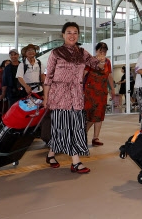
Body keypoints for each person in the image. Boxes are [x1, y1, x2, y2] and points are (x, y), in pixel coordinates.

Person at [43, 22, 106, 174]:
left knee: (76, 128)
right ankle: (76, 162)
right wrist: (46, 98)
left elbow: (97, 66)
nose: (72, 35)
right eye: (69, 32)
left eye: (75, 32)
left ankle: (51, 154)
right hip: (59, 96)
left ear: (78, 35)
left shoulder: (83, 52)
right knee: (63, 127)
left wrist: (100, 60)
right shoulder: (56, 53)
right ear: (63, 35)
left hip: (77, 95)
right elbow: (48, 77)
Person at [84, 42, 117, 146]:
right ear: (96, 51)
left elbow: (109, 76)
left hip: (102, 92)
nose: (102, 53)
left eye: (104, 51)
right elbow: (83, 74)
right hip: (90, 91)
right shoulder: (91, 61)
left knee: (100, 114)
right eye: (100, 51)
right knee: (91, 115)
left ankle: (95, 137)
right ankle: (82, 134)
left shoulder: (107, 62)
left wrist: (112, 89)